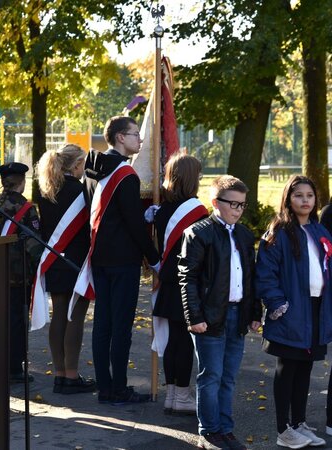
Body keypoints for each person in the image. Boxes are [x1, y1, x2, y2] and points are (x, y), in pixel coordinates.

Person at [76, 116, 160, 405]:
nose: (139, 140)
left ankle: (105, 387)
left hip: (99, 255)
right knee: (121, 326)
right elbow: (133, 224)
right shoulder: (126, 174)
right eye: (135, 135)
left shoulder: (92, 170)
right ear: (120, 138)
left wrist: (140, 215)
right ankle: (119, 388)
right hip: (123, 259)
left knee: (102, 324)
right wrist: (154, 258)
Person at [179, 175, 261, 450]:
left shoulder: (245, 235)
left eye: (242, 205)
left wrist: (254, 312)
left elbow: (251, 278)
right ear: (215, 202)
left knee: (228, 376)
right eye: (232, 204)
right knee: (211, 375)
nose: (237, 210)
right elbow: (187, 277)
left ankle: (225, 429)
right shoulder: (199, 233)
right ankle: (209, 431)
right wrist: (195, 317)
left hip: (237, 313)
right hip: (210, 317)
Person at [256, 175, 331, 448]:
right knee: (286, 369)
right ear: (288, 198)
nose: (305, 200)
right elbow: (266, 274)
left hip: (315, 311)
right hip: (290, 312)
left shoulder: (320, 232)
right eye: (299, 195)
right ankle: (283, 429)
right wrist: (278, 305)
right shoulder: (279, 232)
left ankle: (299, 423)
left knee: (305, 370)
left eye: (309, 196)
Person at [150, 154, 207, 414]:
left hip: (168, 281)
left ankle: (172, 394)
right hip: (187, 283)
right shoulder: (197, 211)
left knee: (173, 340)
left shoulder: (161, 211)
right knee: (184, 341)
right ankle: (181, 395)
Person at [35, 145, 93, 394]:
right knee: (75, 317)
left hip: (54, 259)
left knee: (59, 313)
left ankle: (59, 374)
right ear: (77, 164)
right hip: (76, 261)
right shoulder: (79, 191)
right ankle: (72, 375)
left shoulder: (45, 190)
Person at [0, 162, 43, 383]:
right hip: (18, 275)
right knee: (17, 321)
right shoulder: (26, 208)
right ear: (22, 182)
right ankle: (14, 368)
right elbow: (34, 245)